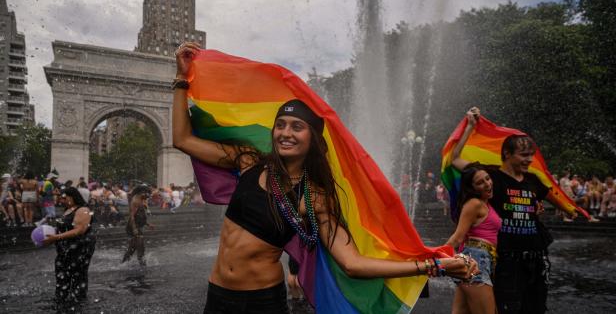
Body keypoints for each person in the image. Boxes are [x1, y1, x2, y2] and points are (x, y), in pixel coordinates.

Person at [173, 42, 477, 313]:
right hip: (217, 294)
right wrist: (182, 80)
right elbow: (182, 140)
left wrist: (431, 265)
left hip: (261, 301)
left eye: (296, 127)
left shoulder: (314, 196)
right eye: (281, 125)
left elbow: (352, 263)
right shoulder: (249, 161)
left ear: (313, 139)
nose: (285, 133)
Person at [451, 107, 574, 314]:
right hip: (506, 260)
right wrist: (471, 127)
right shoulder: (491, 177)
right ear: (507, 154)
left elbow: (552, 194)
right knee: (508, 307)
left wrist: (571, 209)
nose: (529, 160)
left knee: (535, 307)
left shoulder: (532, 181)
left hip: (535, 259)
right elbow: (456, 160)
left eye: (531, 156)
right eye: (524, 155)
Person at [446, 164, 501, 314]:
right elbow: (457, 238)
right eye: (480, 182)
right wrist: (434, 259)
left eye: (487, 178)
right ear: (472, 188)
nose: (487, 184)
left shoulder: (486, 204)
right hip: (476, 261)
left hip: (478, 260)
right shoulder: (474, 204)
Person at [43, 187, 96, 306]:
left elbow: (79, 230)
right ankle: (62, 298)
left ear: (72, 197)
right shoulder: (68, 210)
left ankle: (78, 302)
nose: (61, 200)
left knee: (78, 274)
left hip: (79, 248)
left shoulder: (83, 210)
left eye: (64, 197)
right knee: (62, 274)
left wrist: (56, 238)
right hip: (65, 249)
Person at [122, 185, 153, 266]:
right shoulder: (136, 201)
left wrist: (148, 224)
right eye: (147, 194)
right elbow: (132, 217)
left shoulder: (141, 199)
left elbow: (140, 215)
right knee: (141, 247)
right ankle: (143, 265)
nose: (148, 196)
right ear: (142, 193)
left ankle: (123, 263)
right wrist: (134, 229)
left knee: (132, 248)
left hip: (137, 226)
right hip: (133, 227)